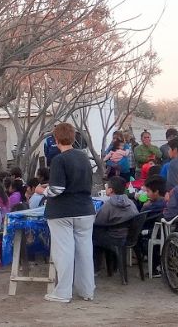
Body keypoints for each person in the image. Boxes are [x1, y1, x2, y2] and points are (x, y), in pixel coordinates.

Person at [34, 122, 96, 303]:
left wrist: (41, 191)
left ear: (55, 139)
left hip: (62, 212)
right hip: (85, 209)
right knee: (85, 252)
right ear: (74, 137)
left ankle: (62, 293)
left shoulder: (59, 160)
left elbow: (57, 189)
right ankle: (87, 291)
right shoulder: (84, 157)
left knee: (64, 253)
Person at [92, 176, 139, 273]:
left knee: (94, 236)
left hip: (113, 237)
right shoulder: (131, 203)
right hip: (130, 237)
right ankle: (114, 266)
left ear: (110, 190)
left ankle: (96, 268)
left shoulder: (108, 205)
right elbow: (136, 216)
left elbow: (99, 222)